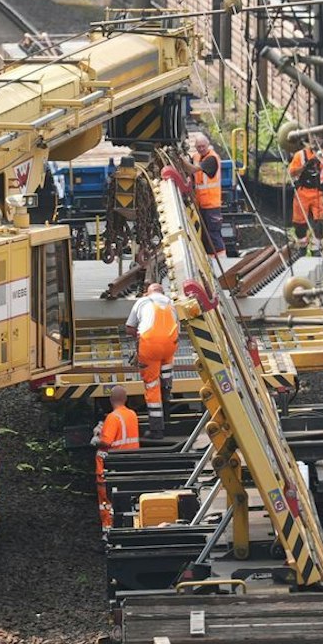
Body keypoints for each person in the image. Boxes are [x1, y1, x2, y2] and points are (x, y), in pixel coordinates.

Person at [124, 282, 178, 437]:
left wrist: (138, 334)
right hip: (169, 346)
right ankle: (166, 415)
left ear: (148, 293)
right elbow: (177, 327)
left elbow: (129, 328)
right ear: (162, 292)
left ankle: (156, 429)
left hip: (150, 345)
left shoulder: (142, 301)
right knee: (165, 380)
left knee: (152, 385)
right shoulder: (171, 303)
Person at [90, 384, 140, 529]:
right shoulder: (132, 414)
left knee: (106, 503)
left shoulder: (113, 418)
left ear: (111, 399)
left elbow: (107, 441)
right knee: (125, 498)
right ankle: (126, 524)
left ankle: (109, 528)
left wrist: (96, 439)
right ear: (126, 399)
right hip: (129, 464)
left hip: (110, 468)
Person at [287, 133, 323, 249]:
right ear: (309, 139)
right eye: (313, 137)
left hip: (317, 193)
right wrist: (305, 166)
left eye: (319, 137)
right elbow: (291, 172)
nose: (315, 140)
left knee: (319, 222)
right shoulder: (300, 155)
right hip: (302, 192)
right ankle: (302, 246)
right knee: (299, 222)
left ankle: (317, 247)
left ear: (322, 140)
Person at [186, 132, 227, 260]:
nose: (201, 149)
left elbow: (192, 169)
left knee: (213, 234)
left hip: (211, 205)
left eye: (203, 146)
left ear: (208, 145)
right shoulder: (197, 157)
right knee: (204, 235)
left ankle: (222, 260)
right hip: (200, 205)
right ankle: (208, 260)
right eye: (198, 147)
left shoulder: (211, 159)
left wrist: (181, 161)